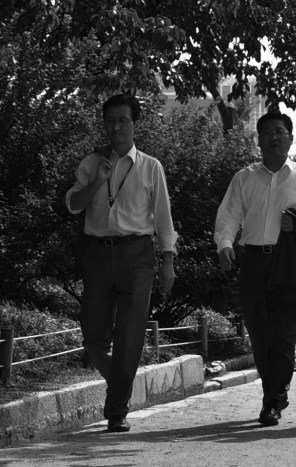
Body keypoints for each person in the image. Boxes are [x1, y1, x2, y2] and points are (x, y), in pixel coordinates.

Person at [65, 93, 177, 433]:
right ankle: (121, 382)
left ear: (134, 123)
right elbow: (73, 205)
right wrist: (98, 180)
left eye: (122, 120)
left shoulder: (150, 166)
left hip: (138, 255)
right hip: (99, 254)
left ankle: (117, 410)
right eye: (110, 120)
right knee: (92, 336)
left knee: (130, 335)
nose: (115, 127)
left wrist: (168, 261)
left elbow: (163, 218)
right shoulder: (90, 163)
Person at [215, 111, 296, 427]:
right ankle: (275, 390)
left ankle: (273, 401)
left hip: (290, 263)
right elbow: (229, 216)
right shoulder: (244, 178)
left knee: (283, 336)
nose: (274, 137)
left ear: (291, 138)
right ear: (259, 139)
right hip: (253, 262)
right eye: (267, 132)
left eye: (280, 131)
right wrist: (225, 244)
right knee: (260, 334)